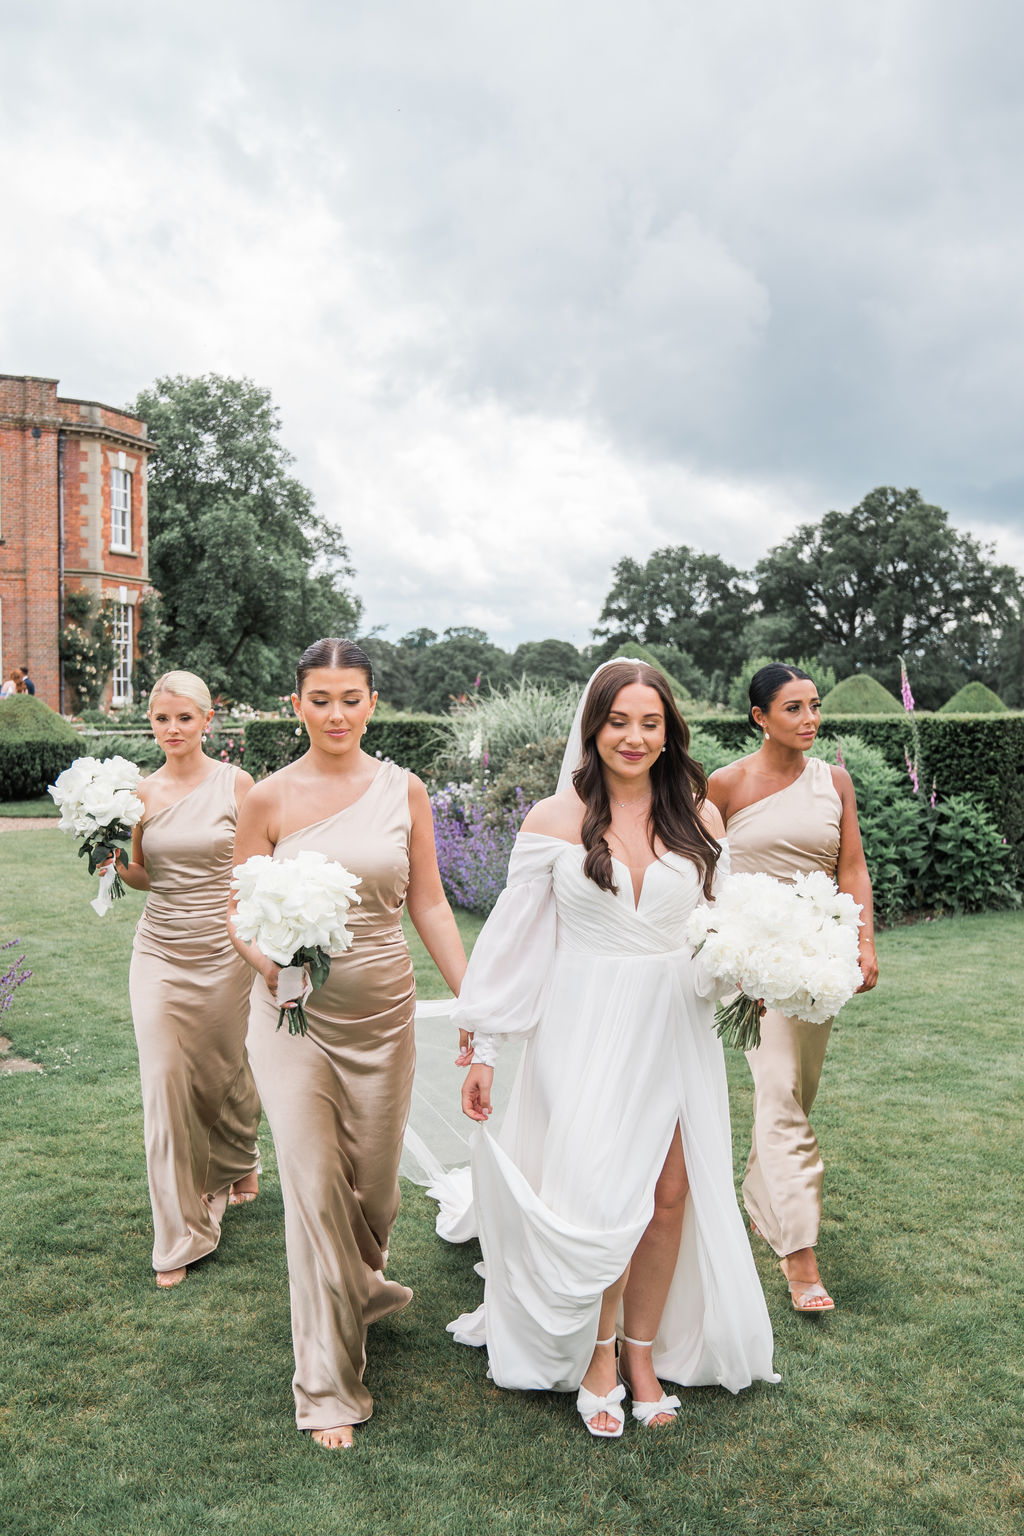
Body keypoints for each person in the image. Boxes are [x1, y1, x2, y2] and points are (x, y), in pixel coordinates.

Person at [441, 659, 778, 1440]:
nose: (634, 736)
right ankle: (594, 1355)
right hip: (584, 1021)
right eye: (619, 721)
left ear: (669, 732)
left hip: (675, 1022)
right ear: (593, 727)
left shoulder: (701, 819)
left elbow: (729, 927)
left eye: (650, 722)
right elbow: (512, 944)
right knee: (602, 1196)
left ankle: (641, 1354)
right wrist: (484, 1043)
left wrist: (761, 971)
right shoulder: (555, 819)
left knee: (669, 1195)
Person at [228, 638, 468, 1451]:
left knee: (372, 1189)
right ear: (295, 703)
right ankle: (327, 1383)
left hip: (384, 1014)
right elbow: (241, 914)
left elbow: (430, 904)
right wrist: (273, 968)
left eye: (351, 698)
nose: (336, 714)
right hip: (292, 1019)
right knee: (313, 1186)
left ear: (373, 704)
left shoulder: (405, 791)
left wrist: (476, 997)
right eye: (320, 698)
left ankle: (359, 1286)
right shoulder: (266, 799)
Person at [707, 664, 878, 1314]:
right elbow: (701, 871)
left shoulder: (834, 781)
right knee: (779, 1092)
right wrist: (729, 954)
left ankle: (760, 1196)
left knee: (796, 1093)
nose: (809, 719)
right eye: (793, 708)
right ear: (760, 717)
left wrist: (862, 943)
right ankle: (799, 1256)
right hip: (750, 969)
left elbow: (851, 867)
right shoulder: (726, 784)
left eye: (814, 706)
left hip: (817, 964)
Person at [110, 669, 262, 1288]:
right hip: (159, 950)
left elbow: (256, 868)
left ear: (207, 719)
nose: (171, 730)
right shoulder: (134, 795)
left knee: (225, 1066)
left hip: (224, 947)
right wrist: (114, 858)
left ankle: (237, 1158)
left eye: (183, 718)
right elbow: (143, 874)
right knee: (167, 1082)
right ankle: (182, 1232)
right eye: (161, 719)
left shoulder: (238, 784)